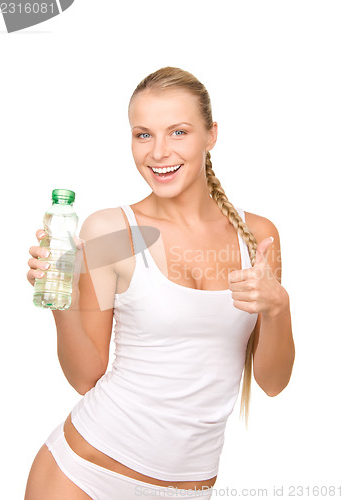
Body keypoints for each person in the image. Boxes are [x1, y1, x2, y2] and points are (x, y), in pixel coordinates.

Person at [24, 66, 295, 500]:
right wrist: (62, 296)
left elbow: (273, 381)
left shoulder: (258, 236)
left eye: (179, 132)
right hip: (82, 477)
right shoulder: (112, 230)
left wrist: (278, 308)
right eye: (143, 134)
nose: (158, 152)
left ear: (211, 135)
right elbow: (85, 376)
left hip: (191, 489)